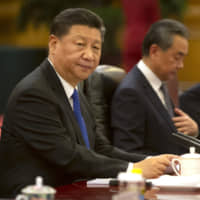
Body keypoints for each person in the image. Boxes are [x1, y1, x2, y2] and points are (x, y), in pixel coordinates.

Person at [0, 8, 176, 197]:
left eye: (96, 47)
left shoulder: (77, 91)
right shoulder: (34, 93)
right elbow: (68, 156)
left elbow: (100, 149)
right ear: (53, 44)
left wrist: (154, 163)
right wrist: (134, 168)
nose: (89, 55)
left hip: (76, 191)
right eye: (80, 44)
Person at [111, 19, 199, 155]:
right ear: (154, 51)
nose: (181, 65)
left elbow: (167, 139)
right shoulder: (131, 92)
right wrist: (170, 164)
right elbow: (127, 152)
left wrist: (193, 131)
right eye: (177, 57)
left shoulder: (158, 84)